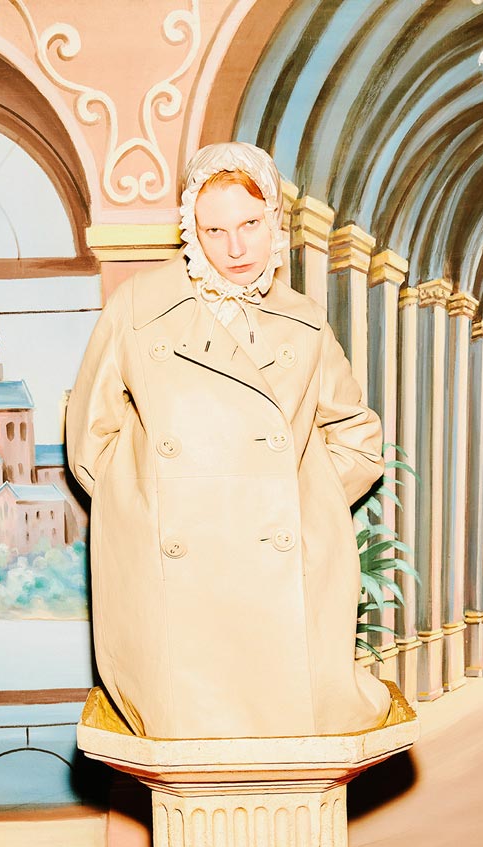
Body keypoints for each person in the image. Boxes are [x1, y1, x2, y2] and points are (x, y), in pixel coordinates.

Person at [66, 142, 391, 739]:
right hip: (178, 586)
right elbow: (92, 440)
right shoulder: (137, 308)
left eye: (250, 225)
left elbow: (359, 440)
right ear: (191, 227)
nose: (235, 248)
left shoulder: (304, 322)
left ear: (275, 222)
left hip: (276, 582)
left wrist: (295, 498)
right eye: (214, 230)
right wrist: (151, 505)